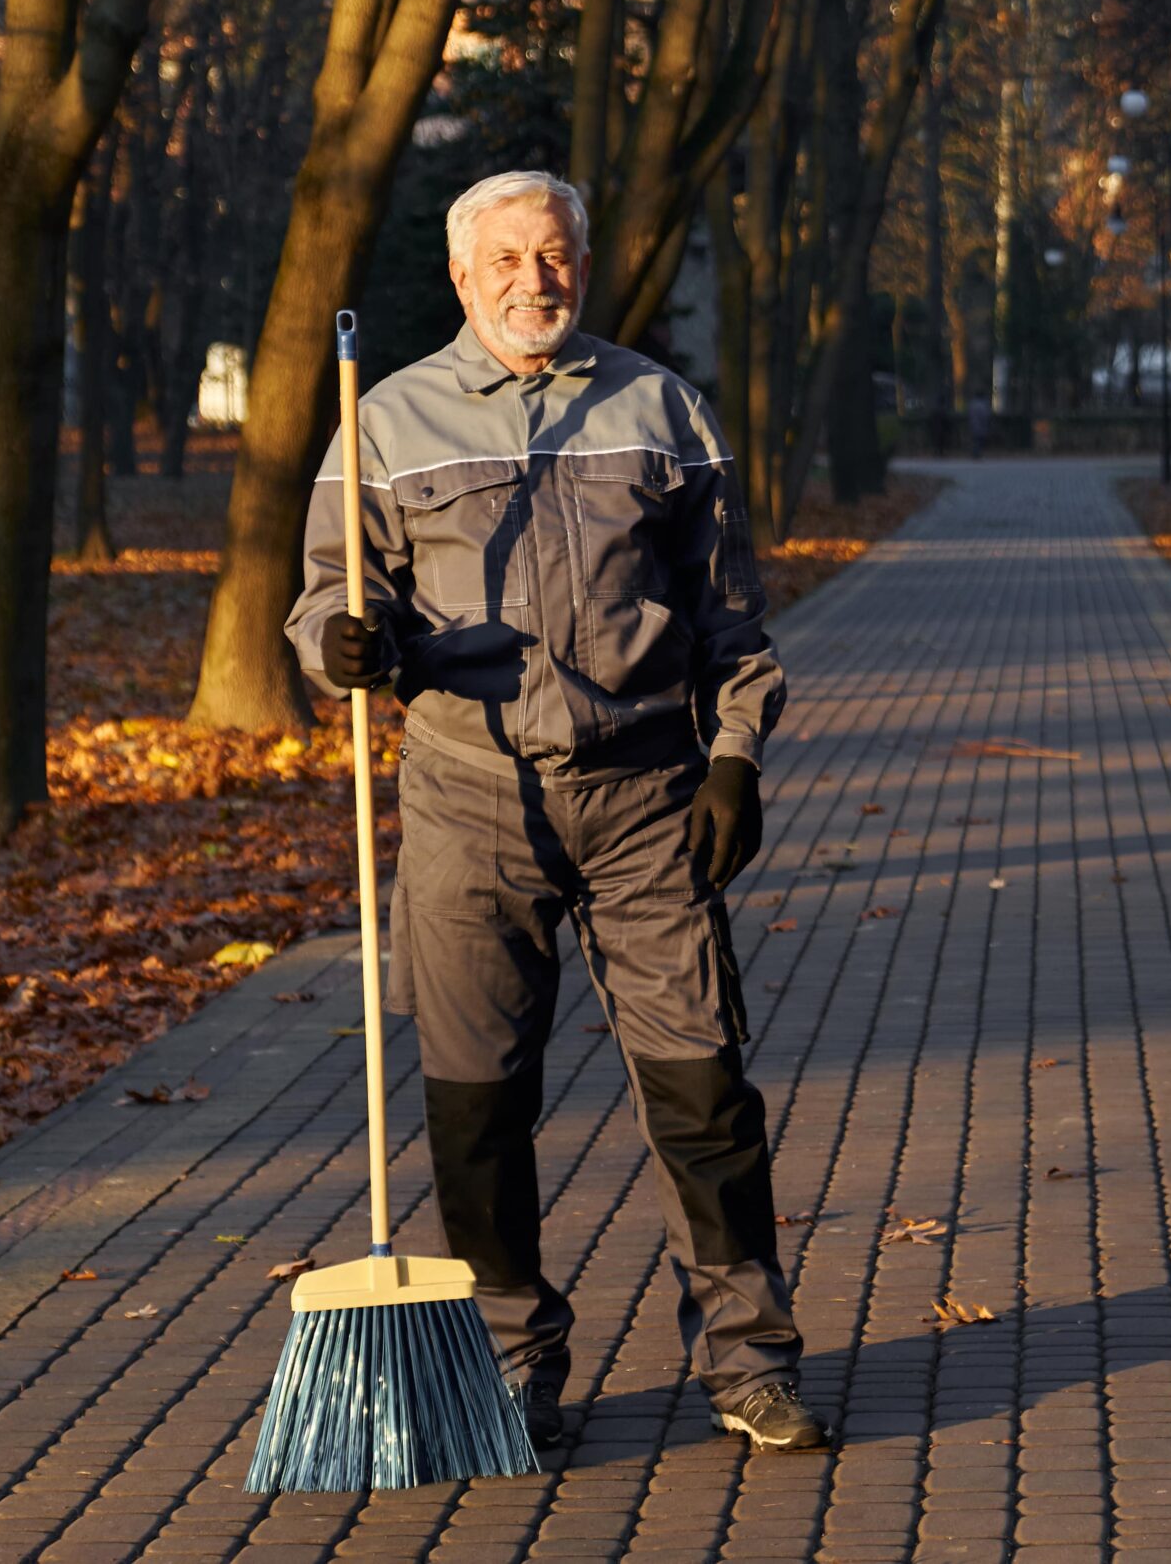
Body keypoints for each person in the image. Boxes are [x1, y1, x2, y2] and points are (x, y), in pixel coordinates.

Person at [285, 169, 832, 1456]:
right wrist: (342, 644)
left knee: (704, 1090)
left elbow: (731, 619)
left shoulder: (661, 410)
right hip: (468, 799)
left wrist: (735, 759)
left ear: (581, 263)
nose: (534, 281)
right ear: (462, 276)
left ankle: (749, 1361)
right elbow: (326, 597)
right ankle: (513, 1365)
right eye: (507, 260)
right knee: (477, 1108)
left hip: (647, 797)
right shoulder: (385, 421)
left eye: (554, 255)